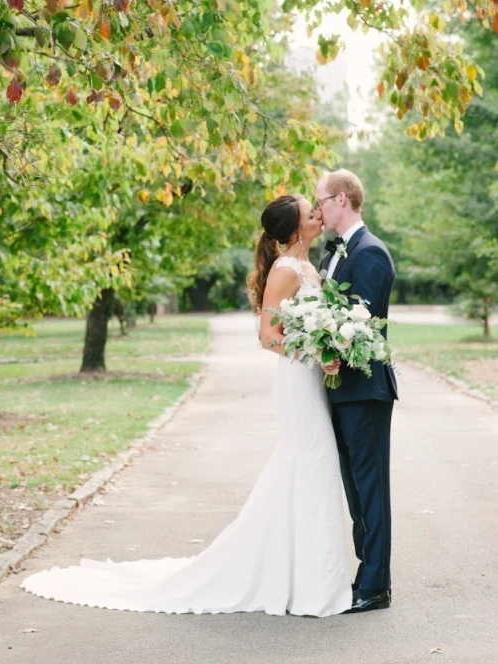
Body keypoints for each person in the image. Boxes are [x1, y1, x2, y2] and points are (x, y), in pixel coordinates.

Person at [21, 195, 352, 616]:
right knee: (311, 460)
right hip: (297, 382)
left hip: (312, 381)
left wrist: (328, 346)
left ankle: (306, 574)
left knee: (308, 468)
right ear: (292, 231)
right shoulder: (286, 271)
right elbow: (268, 336)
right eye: (311, 213)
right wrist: (312, 351)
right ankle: (300, 578)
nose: (319, 215)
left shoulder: (309, 268)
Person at [316, 169, 397, 614]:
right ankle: (365, 574)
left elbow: (360, 325)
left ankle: (376, 584)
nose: (317, 210)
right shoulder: (336, 254)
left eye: (322, 201)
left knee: (371, 487)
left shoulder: (370, 253)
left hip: (364, 389)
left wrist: (330, 348)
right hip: (340, 388)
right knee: (354, 488)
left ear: (342, 199)